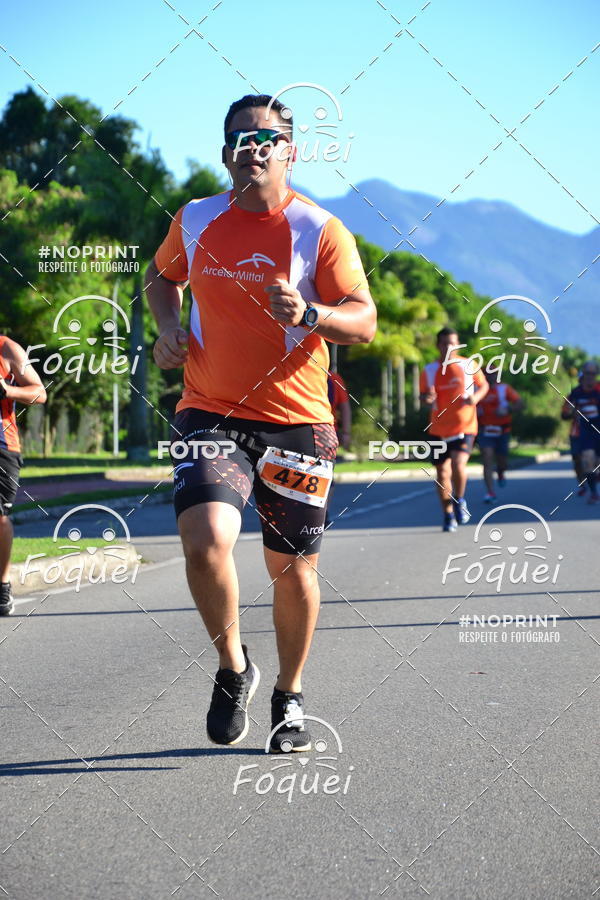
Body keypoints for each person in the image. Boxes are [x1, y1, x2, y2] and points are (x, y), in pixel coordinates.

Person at [145, 93, 376, 751]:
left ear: (290, 152)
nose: (253, 148)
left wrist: (309, 314)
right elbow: (161, 278)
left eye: (266, 137)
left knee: (292, 567)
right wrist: (167, 329)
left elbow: (364, 320)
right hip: (208, 410)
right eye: (241, 138)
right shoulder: (195, 218)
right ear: (226, 154)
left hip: (297, 422)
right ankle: (232, 667)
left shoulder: (319, 230)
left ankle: (289, 695)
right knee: (204, 542)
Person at [420, 327, 488, 532]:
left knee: (458, 465)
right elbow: (423, 396)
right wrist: (427, 399)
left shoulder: (469, 365)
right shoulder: (429, 370)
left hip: (464, 426)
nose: (449, 347)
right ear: (438, 346)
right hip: (438, 430)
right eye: (445, 343)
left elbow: (484, 386)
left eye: (453, 343)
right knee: (442, 473)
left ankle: (459, 499)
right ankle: (448, 515)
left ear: (458, 345)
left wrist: (475, 398)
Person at [0, 336, 47, 615]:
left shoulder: (6, 348)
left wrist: (7, 390)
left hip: (3, 447)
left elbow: (40, 393)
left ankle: (2, 584)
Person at [477, 370, 522, 502]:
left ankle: (501, 472)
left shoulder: (504, 389)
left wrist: (508, 409)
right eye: (487, 373)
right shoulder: (477, 390)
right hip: (485, 430)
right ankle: (490, 492)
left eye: (493, 373)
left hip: (503, 430)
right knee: (487, 458)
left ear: (497, 375)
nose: (490, 376)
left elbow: (520, 403)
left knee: (502, 461)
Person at [561, 361, 600, 503]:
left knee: (596, 463)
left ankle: (594, 478)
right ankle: (593, 492)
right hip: (584, 432)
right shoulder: (575, 393)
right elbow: (564, 415)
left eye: (592, 374)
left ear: (596, 375)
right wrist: (571, 413)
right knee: (585, 460)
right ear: (583, 374)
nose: (589, 376)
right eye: (587, 373)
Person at [327, 368, 352, 451]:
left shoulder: (300, 374)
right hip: (329, 431)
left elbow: (345, 408)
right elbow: (345, 408)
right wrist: (346, 433)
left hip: (302, 427)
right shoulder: (334, 378)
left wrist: (346, 433)